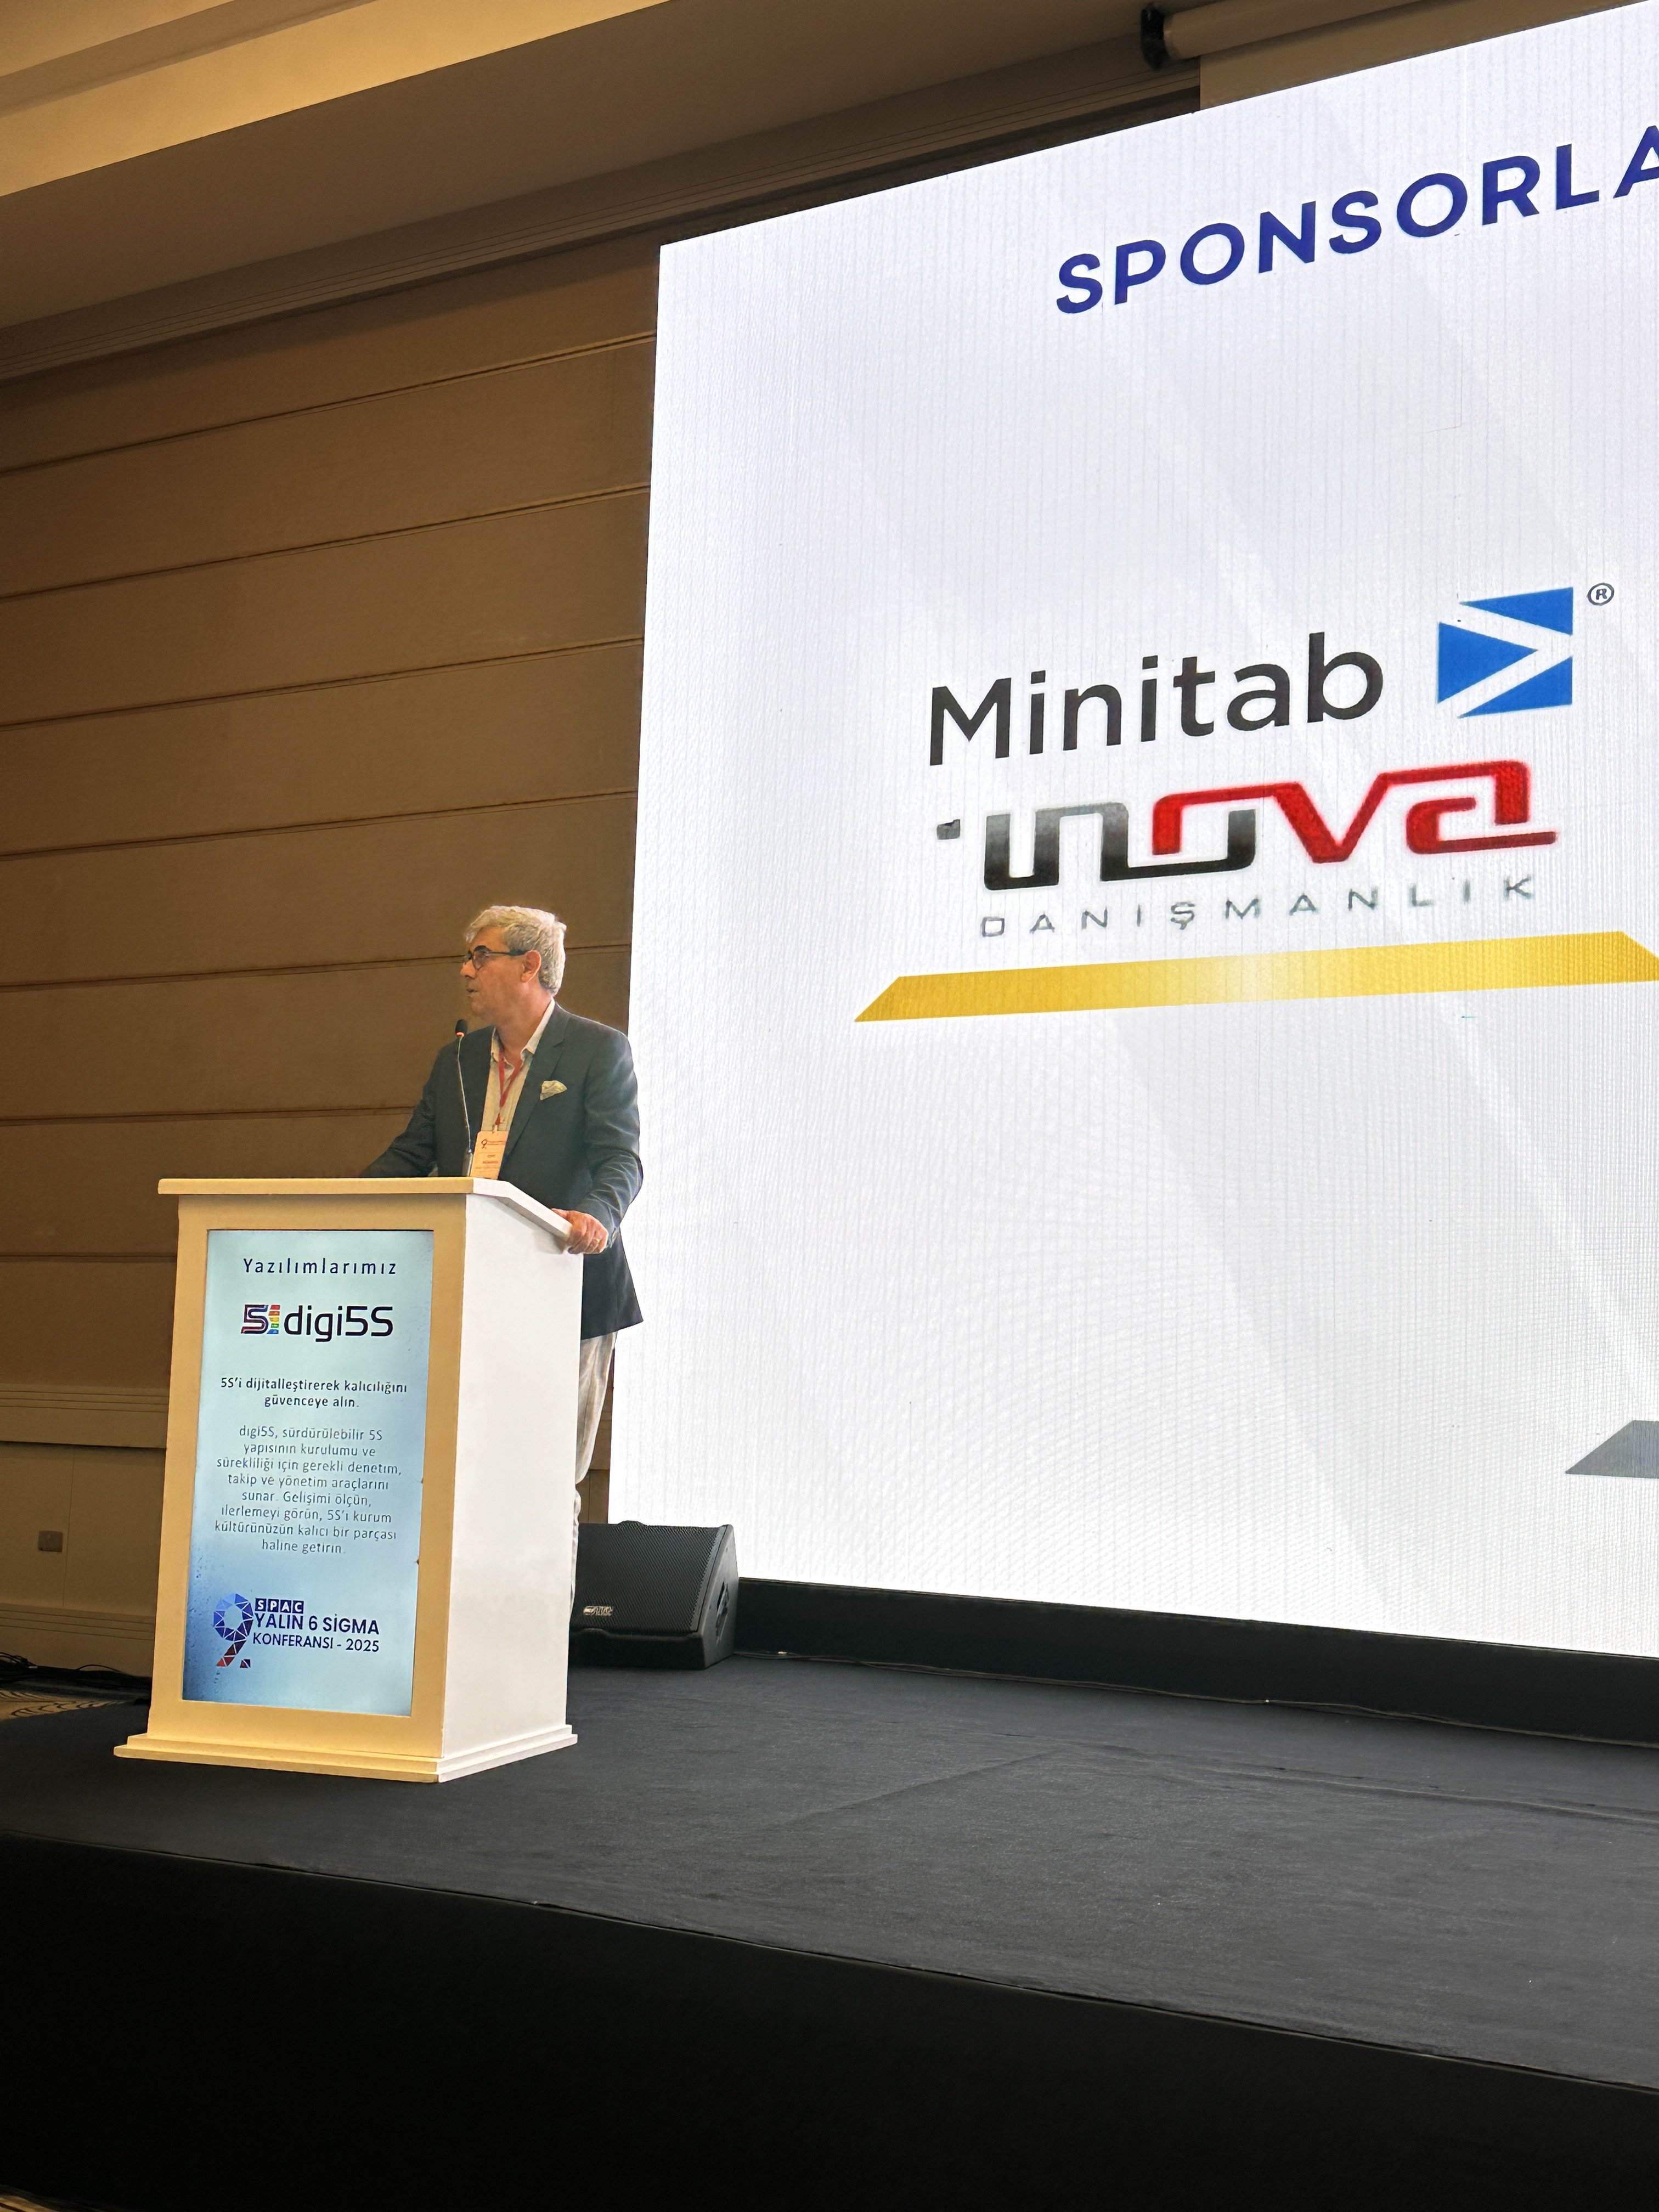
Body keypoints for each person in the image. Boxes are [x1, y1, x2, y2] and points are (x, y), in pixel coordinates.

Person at [363, 904, 642, 1505]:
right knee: (474, 1474)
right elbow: (412, 1155)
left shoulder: (597, 1050)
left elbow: (621, 1160)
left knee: (547, 1481)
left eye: (481, 956)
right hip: (473, 1293)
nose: (466, 970)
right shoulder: (458, 1059)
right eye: (468, 957)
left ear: (529, 965)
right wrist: (339, 1207)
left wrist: (598, 1216)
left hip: (567, 1286)